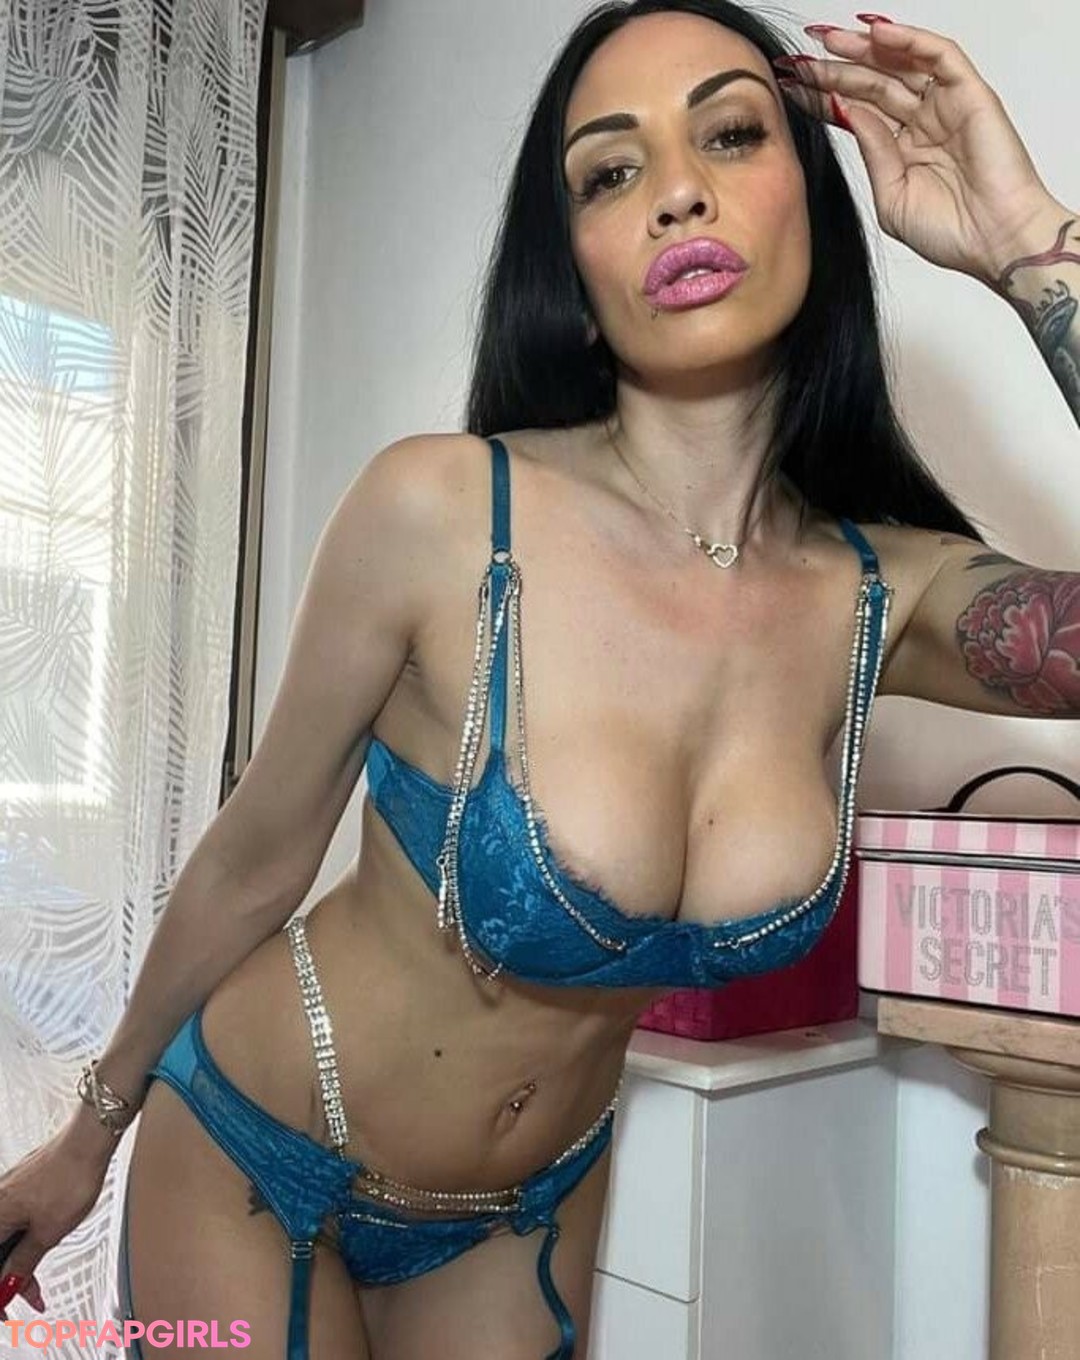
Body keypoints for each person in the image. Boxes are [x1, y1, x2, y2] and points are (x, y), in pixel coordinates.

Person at [1, 3, 1077, 1357]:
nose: (675, 190)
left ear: (816, 187)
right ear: (571, 258)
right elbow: (258, 855)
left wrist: (1029, 246)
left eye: (731, 135)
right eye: (611, 171)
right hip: (252, 1155)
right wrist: (86, 1137)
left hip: (524, 1212)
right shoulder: (443, 511)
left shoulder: (882, 595)